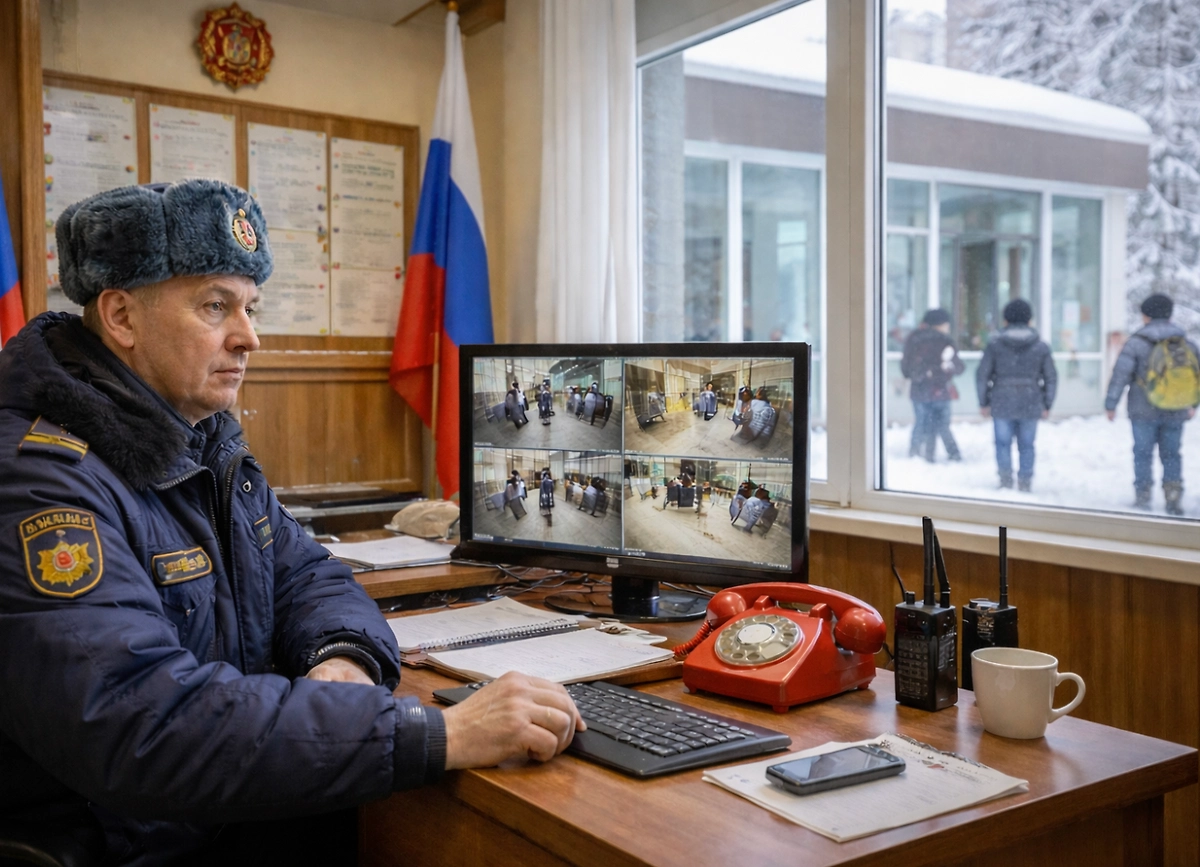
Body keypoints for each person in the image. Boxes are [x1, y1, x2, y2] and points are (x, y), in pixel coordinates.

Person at [0, 180, 583, 866]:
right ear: (122, 316)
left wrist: (342, 656)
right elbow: (138, 724)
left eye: (250, 307)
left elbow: (308, 575)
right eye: (215, 306)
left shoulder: (200, 440)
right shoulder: (40, 479)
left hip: (218, 814)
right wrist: (435, 734)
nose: (248, 336)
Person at [1104, 293, 1200, 514]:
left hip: (1143, 409)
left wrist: (1111, 404)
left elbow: (1120, 375)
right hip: (1176, 407)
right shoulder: (1185, 343)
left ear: (1145, 316)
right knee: (1172, 454)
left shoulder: (1136, 343)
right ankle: (1173, 496)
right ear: (1170, 314)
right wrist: (1193, 403)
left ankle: (1143, 495)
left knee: (1143, 453)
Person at [976, 298, 1057, 491]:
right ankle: (1025, 481)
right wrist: (1047, 403)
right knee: (1027, 444)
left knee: (1002, 443)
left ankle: (1005, 480)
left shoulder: (995, 345)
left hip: (1002, 400)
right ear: (1029, 320)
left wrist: (984, 401)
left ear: (1005, 320)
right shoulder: (1041, 347)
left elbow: (982, 375)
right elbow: (1051, 377)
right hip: (1031, 400)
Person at [900, 308, 964, 463]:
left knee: (921, 423)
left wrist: (921, 374)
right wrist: (944, 368)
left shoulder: (914, 339)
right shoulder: (946, 341)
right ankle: (952, 454)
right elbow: (959, 367)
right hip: (940, 390)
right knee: (942, 425)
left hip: (920, 390)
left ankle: (916, 454)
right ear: (941, 324)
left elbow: (906, 368)